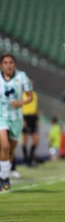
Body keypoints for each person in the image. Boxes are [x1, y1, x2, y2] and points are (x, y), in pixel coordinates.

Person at [0, 53, 33, 191]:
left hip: (17, 118)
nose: (9, 65)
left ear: (14, 64)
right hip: (2, 116)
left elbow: (30, 97)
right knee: (5, 146)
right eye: (6, 62)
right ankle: (4, 178)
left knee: (11, 150)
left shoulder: (22, 76)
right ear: (1, 65)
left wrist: (21, 102)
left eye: (11, 62)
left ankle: (4, 169)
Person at [21, 78, 39, 167]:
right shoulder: (22, 95)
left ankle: (31, 158)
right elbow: (19, 108)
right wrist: (22, 120)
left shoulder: (35, 95)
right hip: (25, 117)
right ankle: (26, 160)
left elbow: (35, 108)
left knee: (36, 140)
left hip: (33, 118)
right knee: (25, 140)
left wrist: (37, 119)